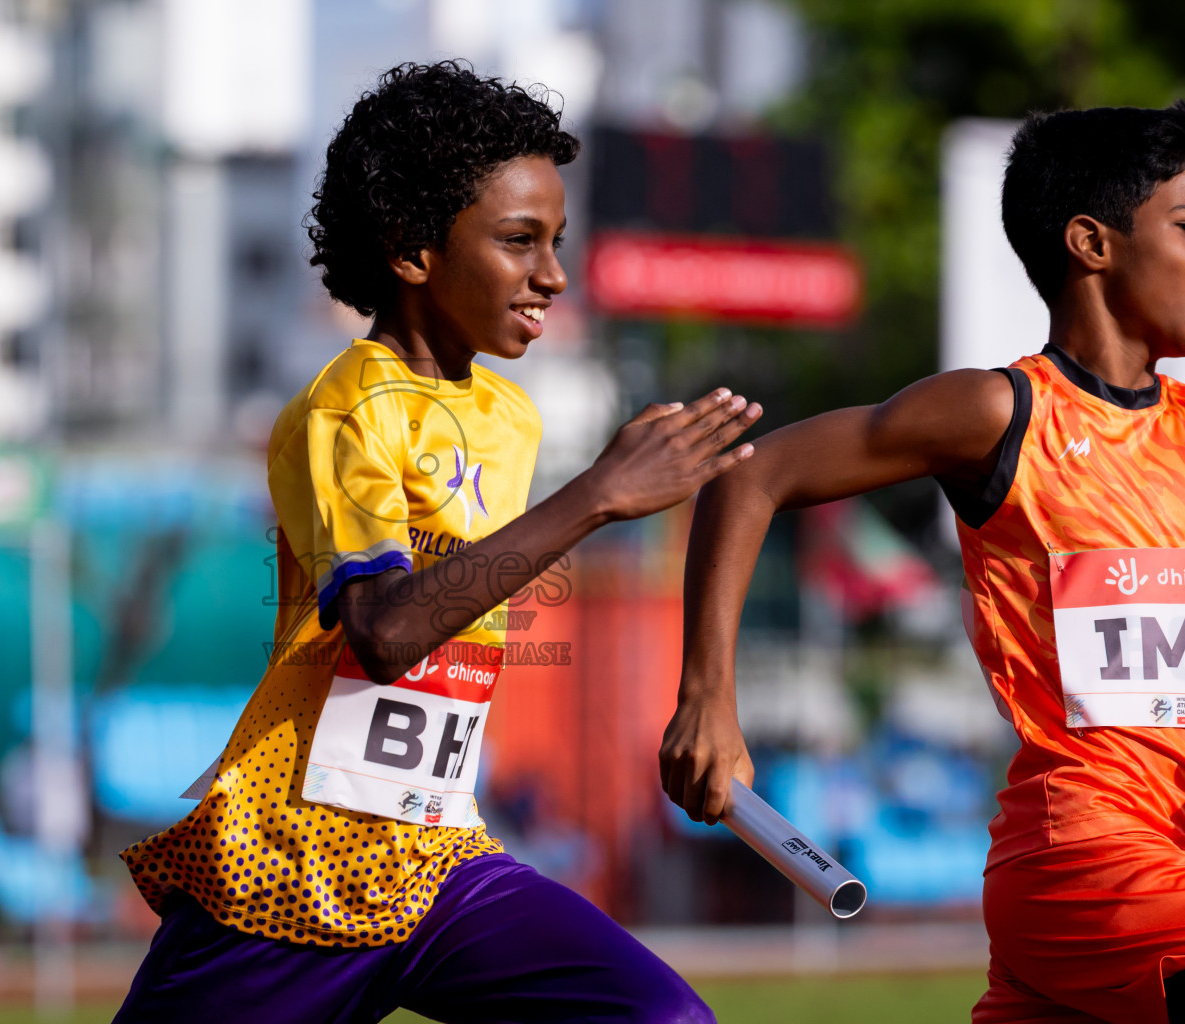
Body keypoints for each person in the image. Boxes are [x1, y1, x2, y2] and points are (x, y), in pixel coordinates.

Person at [113, 61, 761, 1024]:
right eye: (518, 242)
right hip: (293, 869)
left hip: (436, 857)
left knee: (663, 1019)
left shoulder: (508, 414)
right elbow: (383, 633)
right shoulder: (342, 411)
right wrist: (597, 497)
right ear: (414, 252)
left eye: (558, 242)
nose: (554, 275)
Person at [659, 103, 1185, 1024]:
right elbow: (749, 482)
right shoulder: (1001, 413)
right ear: (1091, 243)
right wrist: (708, 697)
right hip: (1090, 860)